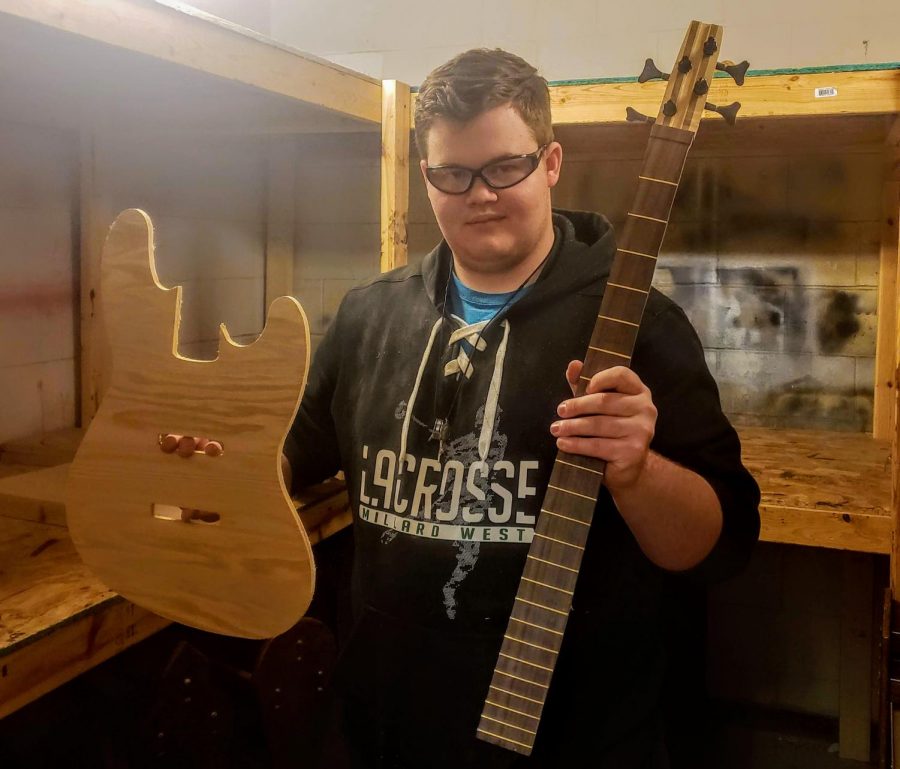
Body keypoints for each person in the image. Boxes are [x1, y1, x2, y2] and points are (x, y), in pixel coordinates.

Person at [283, 48, 760, 769]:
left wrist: (636, 470)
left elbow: (716, 545)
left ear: (552, 162)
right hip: (386, 725)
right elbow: (289, 459)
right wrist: (212, 453)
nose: (481, 194)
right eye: (454, 174)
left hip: (580, 736)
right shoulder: (366, 317)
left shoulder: (638, 326)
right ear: (427, 179)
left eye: (506, 166)